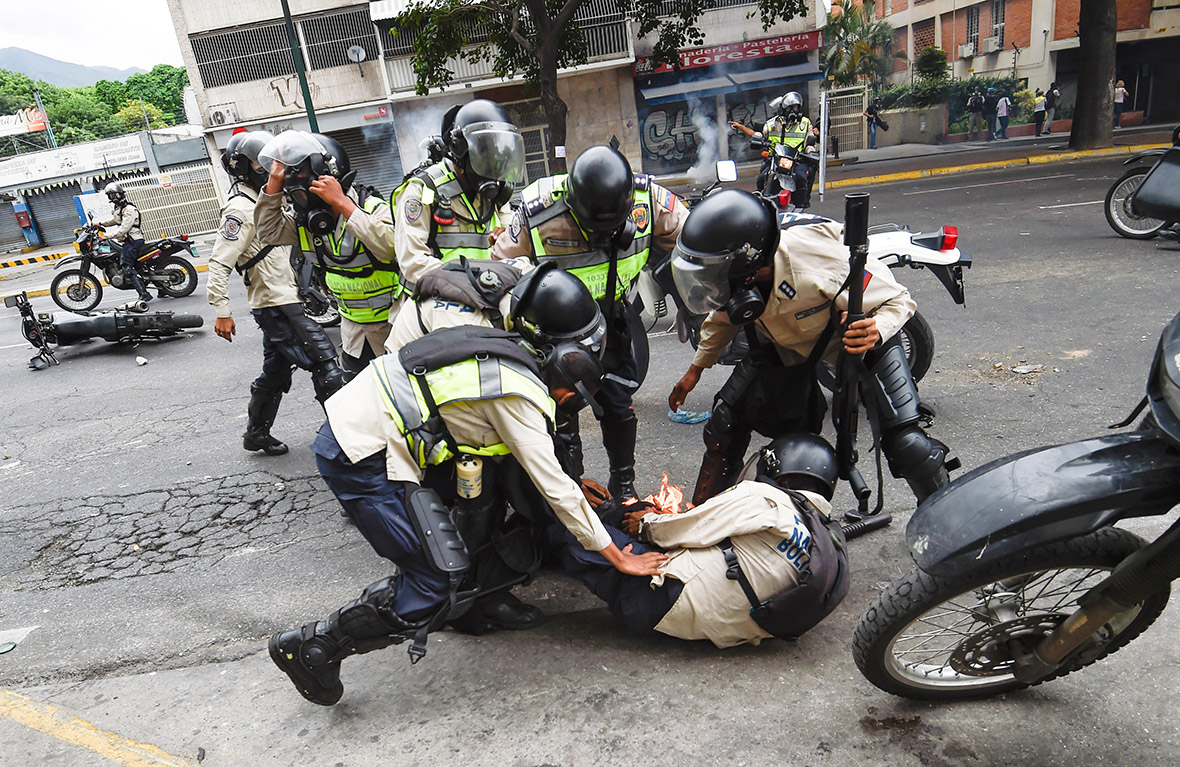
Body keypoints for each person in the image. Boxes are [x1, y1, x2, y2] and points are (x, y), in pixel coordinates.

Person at [268, 267, 667, 707]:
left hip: (378, 428)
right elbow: (557, 489)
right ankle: (314, 646)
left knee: (472, 518)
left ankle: (473, 602)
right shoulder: (516, 392)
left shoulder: (502, 343)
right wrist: (617, 555)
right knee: (434, 581)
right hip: (362, 454)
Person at [666, 190, 952, 507]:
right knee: (724, 423)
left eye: (711, 270)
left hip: (859, 340)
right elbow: (721, 319)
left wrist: (877, 328)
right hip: (790, 346)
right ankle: (703, 516)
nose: (708, 281)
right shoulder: (739, 279)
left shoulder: (819, 264)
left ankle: (946, 513)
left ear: (746, 263)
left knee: (908, 444)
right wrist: (694, 372)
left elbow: (899, 300)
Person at [492, 145, 689, 500]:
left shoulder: (648, 200)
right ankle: (572, 489)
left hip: (612, 319)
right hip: (557, 330)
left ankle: (623, 487)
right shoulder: (539, 212)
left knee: (619, 406)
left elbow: (694, 235)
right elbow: (500, 268)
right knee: (561, 414)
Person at [552, 434, 849, 648]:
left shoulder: (767, 499)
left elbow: (680, 530)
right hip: (735, 630)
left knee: (567, 527)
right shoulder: (824, 535)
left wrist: (643, 522)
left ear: (779, 471)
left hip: (657, 603)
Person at [207, 129, 346, 456]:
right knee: (325, 364)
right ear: (244, 168)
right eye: (263, 164)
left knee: (275, 372)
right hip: (277, 304)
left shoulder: (267, 201)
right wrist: (222, 310)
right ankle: (348, 440)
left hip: (284, 300)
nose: (273, 170)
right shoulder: (240, 209)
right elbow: (219, 261)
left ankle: (256, 434)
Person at [254, 131, 399, 378]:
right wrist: (273, 184)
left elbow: (390, 247)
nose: (300, 199)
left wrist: (343, 204)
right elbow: (267, 232)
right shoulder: (306, 222)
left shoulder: (372, 207)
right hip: (355, 337)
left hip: (395, 329)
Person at [390, 99, 525, 292]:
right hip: (434, 298)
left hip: (485, 293)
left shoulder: (495, 191)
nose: (494, 164)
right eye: (486, 154)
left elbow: (516, 242)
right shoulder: (423, 190)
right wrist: (472, 281)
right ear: (460, 150)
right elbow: (412, 261)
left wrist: (506, 241)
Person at [730, 91, 812, 198]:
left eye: (795, 108)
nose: (793, 111)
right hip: (775, 160)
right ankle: (761, 200)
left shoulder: (805, 123)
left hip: (797, 160)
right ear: (783, 109)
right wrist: (741, 127)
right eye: (789, 108)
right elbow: (756, 135)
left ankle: (800, 203)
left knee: (800, 177)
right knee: (762, 178)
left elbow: (810, 140)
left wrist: (811, 151)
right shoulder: (772, 124)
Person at [97, 182, 153, 303]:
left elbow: (124, 228)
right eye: (111, 196)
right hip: (128, 241)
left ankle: (144, 294)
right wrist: (100, 224)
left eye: (114, 195)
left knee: (127, 267)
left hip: (134, 241)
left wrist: (107, 236)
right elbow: (115, 220)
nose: (113, 198)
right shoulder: (120, 209)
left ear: (121, 194)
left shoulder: (129, 209)